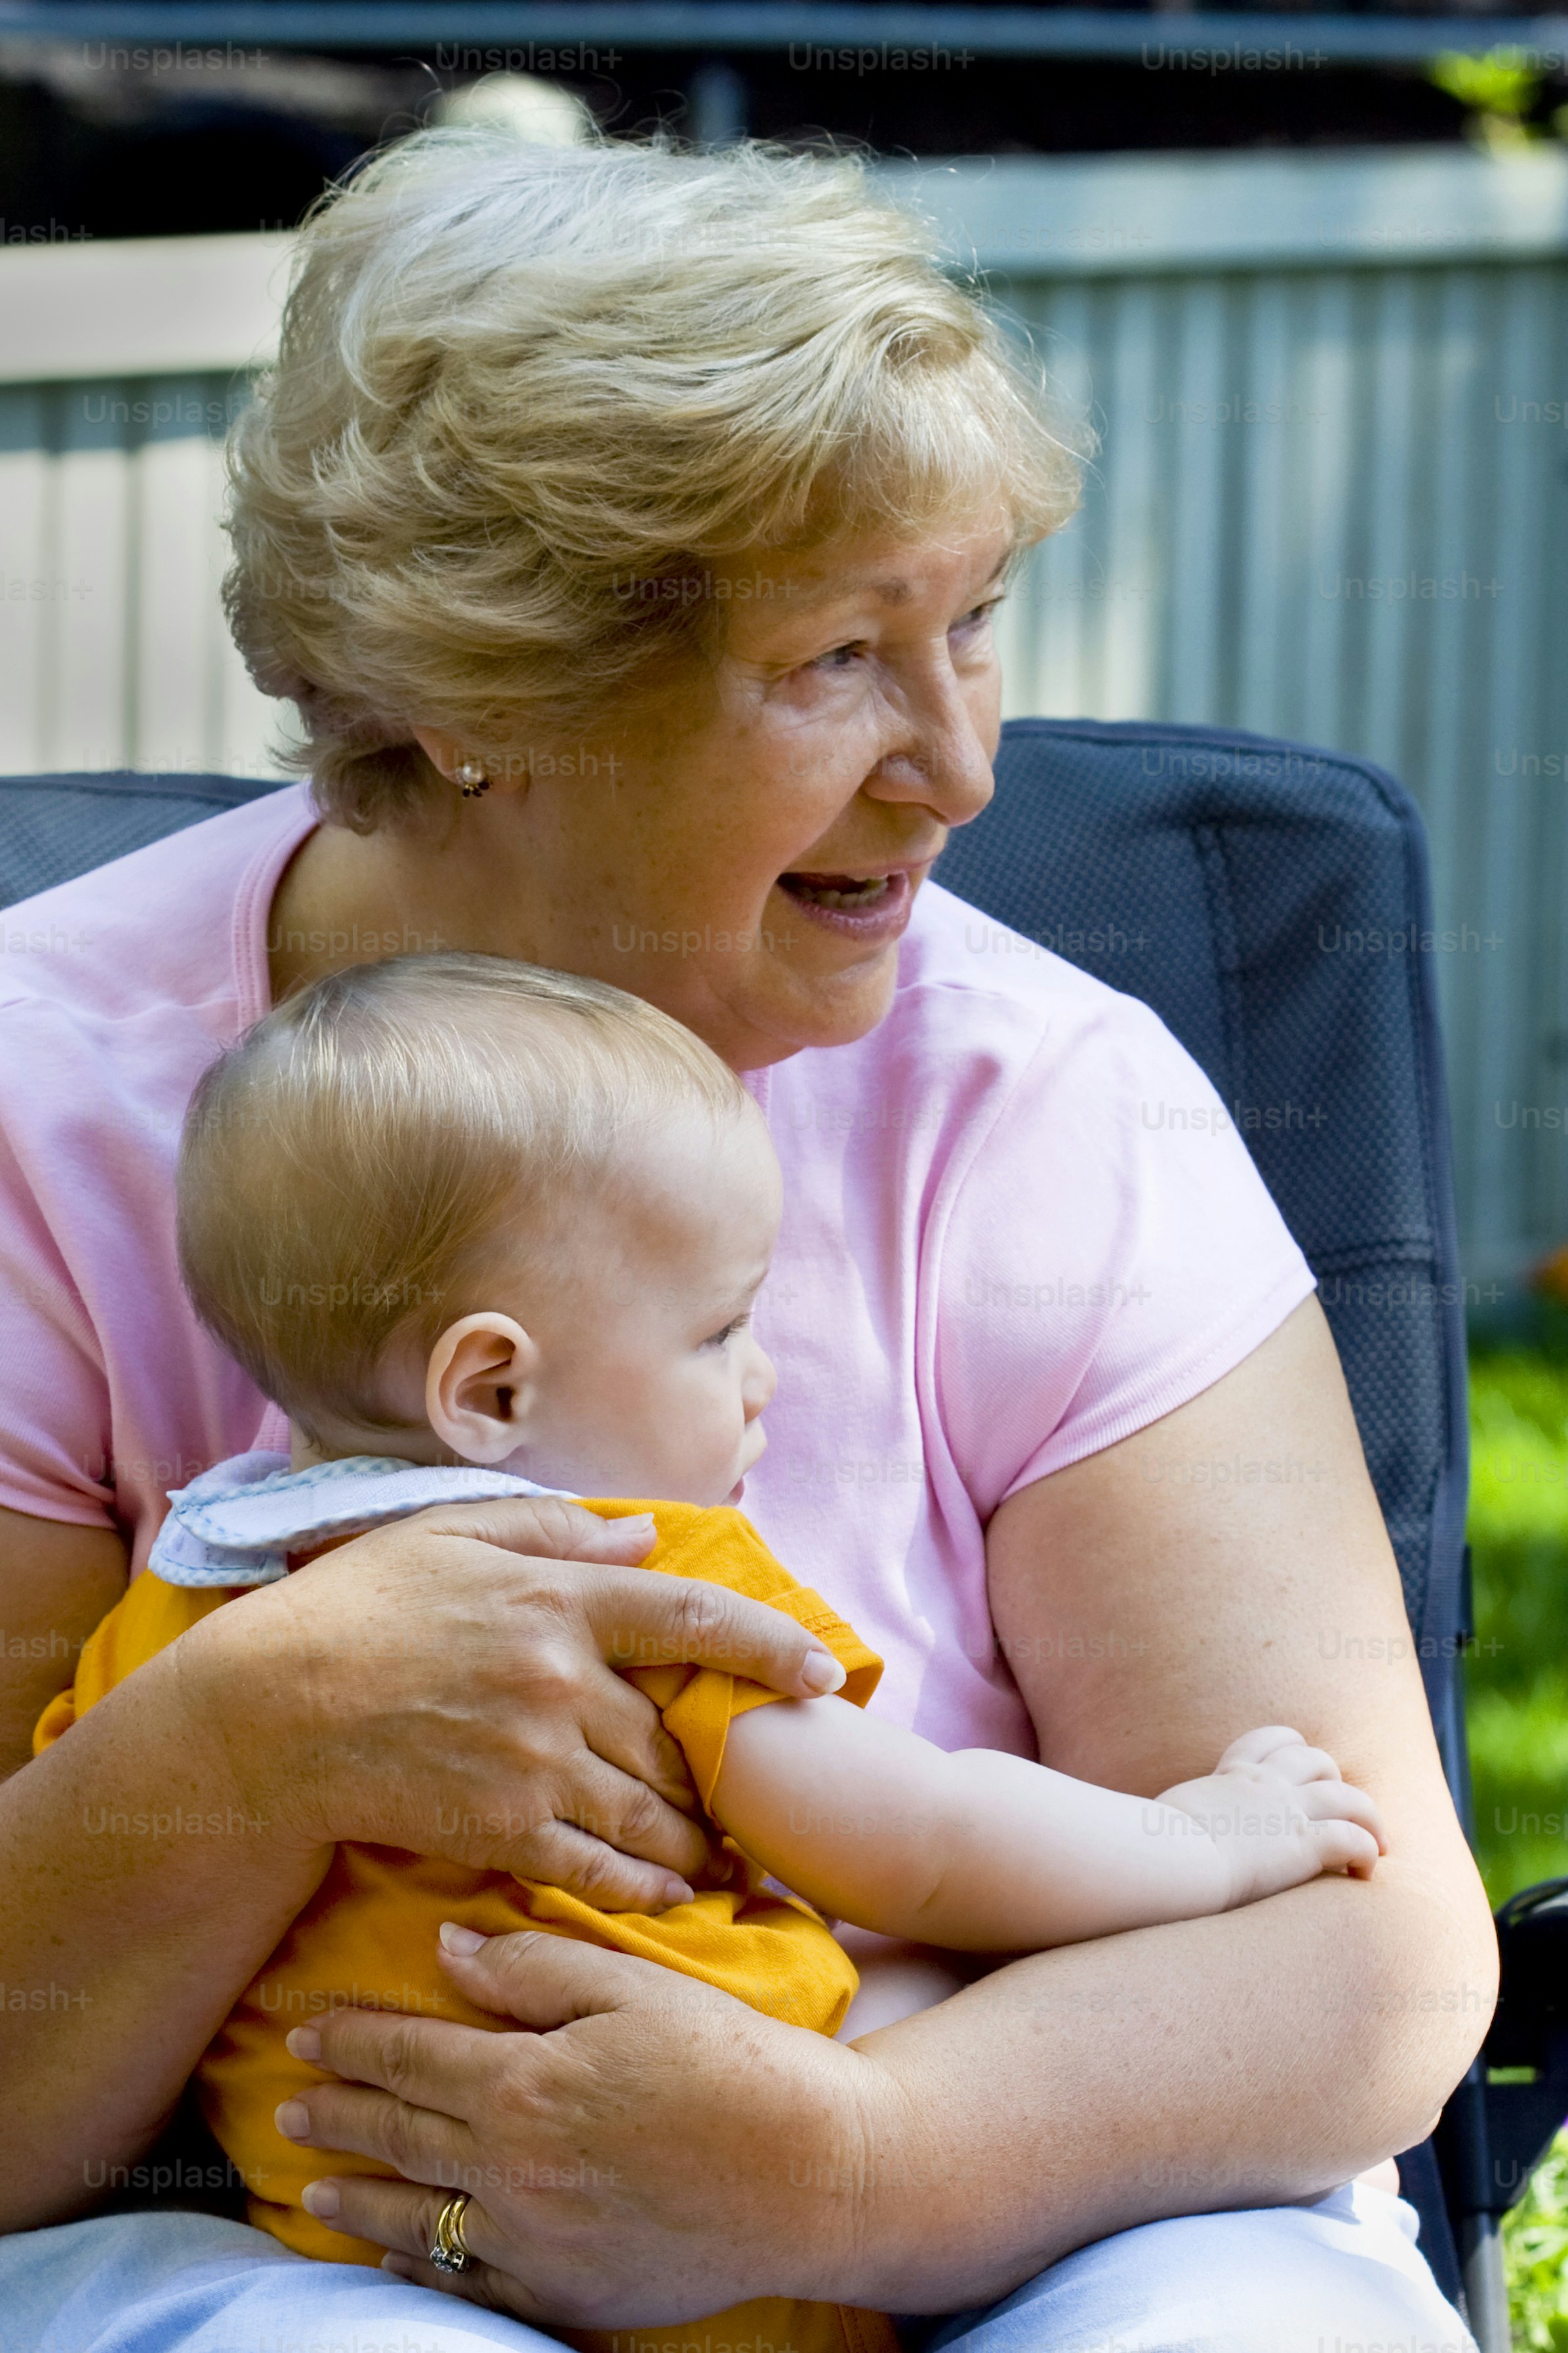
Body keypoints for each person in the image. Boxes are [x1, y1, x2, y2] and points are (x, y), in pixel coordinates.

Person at [0, 129, 1491, 2353]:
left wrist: (842, 2166)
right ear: (480, 690)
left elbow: (1364, 1949)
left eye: (971, 620)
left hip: (1025, 2166)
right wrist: (243, 1740)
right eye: (833, 662)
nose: (964, 764)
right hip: (295, 2230)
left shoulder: (1042, 1102)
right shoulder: (46, 1103)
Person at [37, 948, 1391, 2353]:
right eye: (720, 1328)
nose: (764, 1374)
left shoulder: (182, 1604)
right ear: (490, 1387)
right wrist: (1211, 1841)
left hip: (375, 2256)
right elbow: (922, 1840)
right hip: (727, 2249)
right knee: (928, 1968)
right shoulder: (636, 1580)